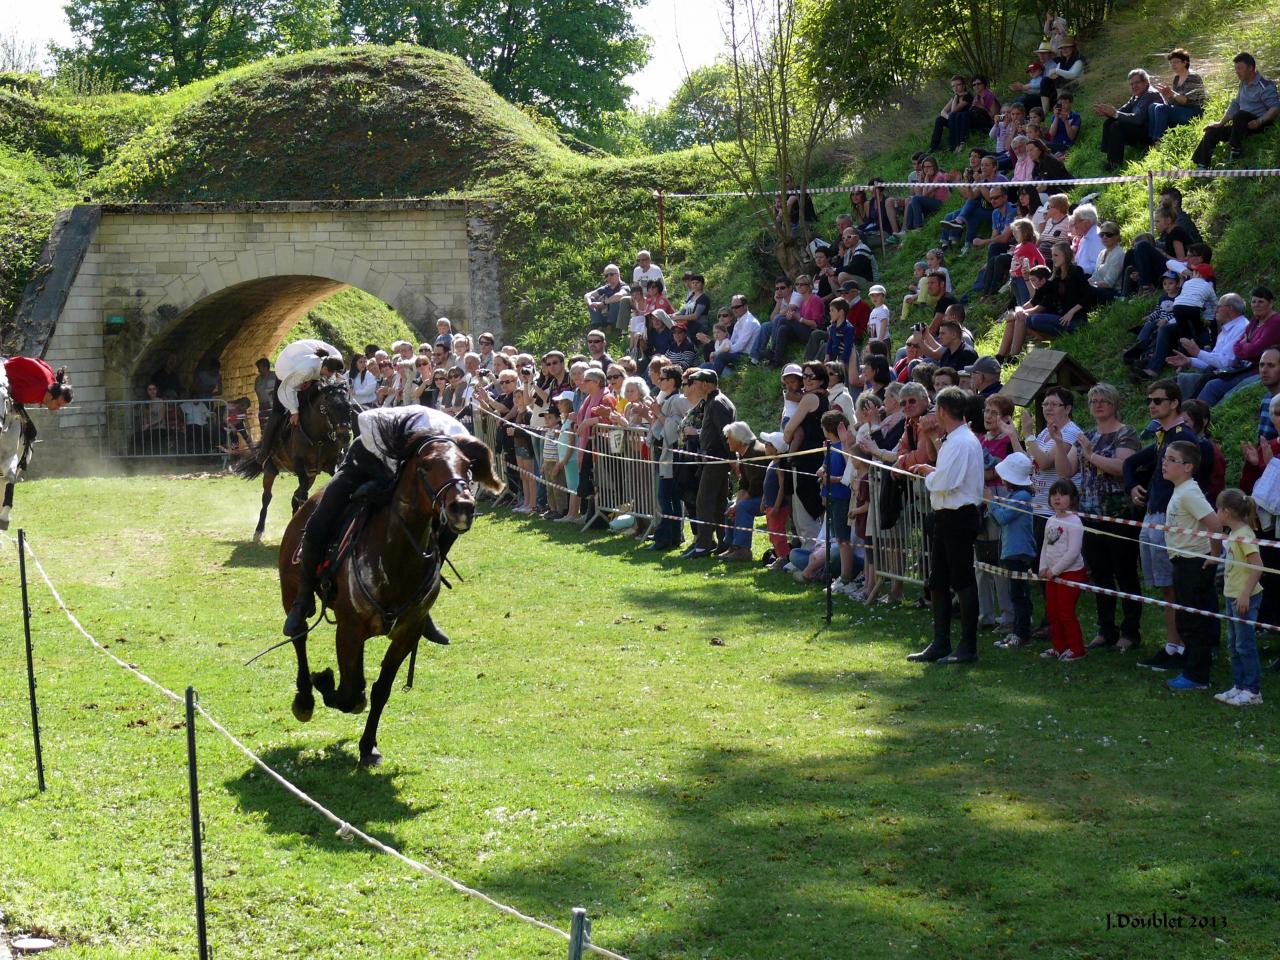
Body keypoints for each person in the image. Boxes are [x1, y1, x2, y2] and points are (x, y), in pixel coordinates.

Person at [281, 404, 474, 637]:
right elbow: (363, 419)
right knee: (318, 523)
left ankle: (422, 602)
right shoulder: (386, 422)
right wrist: (383, 483)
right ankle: (302, 599)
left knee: (448, 528)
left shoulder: (458, 436)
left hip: (410, 472)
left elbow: (459, 476)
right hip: (363, 462)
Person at [1124, 381, 1201, 669]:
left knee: (1174, 587)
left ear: (1174, 404)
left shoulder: (1183, 436)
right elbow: (1133, 463)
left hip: (1171, 520)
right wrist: (1132, 486)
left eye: (1158, 400)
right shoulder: (1162, 435)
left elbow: (1190, 481)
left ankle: (1180, 646)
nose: (1152, 405)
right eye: (1150, 400)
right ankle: (1173, 644)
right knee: (1164, 586)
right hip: (1153, 514)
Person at [907, 386, 984, 664]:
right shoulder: (954, 439)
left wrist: (930, 478)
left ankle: (967, 646)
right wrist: (934, 473)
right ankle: (940, 642)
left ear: (941, 410)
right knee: (938, 580)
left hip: (959, 516)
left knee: (962, 580)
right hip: (945, 516)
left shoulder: (963, 441)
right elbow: (947, 476)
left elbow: (947, 483)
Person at [1160, 440, 1223, 692]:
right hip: (1182, 561)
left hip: (1193, 563)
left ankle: (1197, 675)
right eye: (1165, 458)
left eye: (1172, 460)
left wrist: (1214, 556)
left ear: (1188, 466)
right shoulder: (1181, 490)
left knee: (1193, 619)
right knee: (1187, 617)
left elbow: (1215, 525)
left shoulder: (1189, 492)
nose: (1165, 463)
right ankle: (1193, 665)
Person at [254, 340, 346, 465]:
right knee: (277, 411)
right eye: (332, 373)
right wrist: (294, 411)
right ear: (325, 368)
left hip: (306, 370)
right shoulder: (306, 369)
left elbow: (329, 379)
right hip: (286, 373)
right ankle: (264, 451)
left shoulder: (333, 359)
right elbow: (289, 389)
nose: (333, 376)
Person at [1214, 489, 1265, 705]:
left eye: (1217, 509)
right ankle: (1238, 685)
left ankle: (1253, 691)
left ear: (1226, 512)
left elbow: (1257, 566)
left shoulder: (1245, 535)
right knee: (1234, 644)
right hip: (1231, 594)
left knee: (1245, 644)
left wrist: (1245, 595)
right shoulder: (1233, 534)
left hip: (1244, 597)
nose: (1216, 513)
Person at [680, 369, 736, 558]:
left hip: (716, 460)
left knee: (703, 502)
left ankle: (703, 545)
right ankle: (723, 543)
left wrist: (731, 460)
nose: (693, 385)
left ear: (705, 384)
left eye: (695, 382)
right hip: (715, 460)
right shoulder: (713, 401)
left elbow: (726, 434)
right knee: (719, 503)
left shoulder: (717, 403)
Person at [1190, 52, 1280, 168]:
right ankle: (1201, 165)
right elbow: (1236, 104)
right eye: (1236, 68)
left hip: (1259, 124)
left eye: (1240, 68)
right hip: (1240, 125)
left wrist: (1260, 121)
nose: (1237, 71)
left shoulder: (1265, 86)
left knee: (1240, 115)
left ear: (1251, 68)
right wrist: (1221, 123)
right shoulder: (1243, 83)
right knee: (1212, 131)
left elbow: (1275, 108)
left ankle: (1235, 150)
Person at [991, 452, 1037, 649]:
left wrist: (991, 502)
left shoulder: (1022, 496)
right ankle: (1017, 630)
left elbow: (1002, 518)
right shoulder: (1015, 496)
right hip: (1012, 551)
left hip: (1019, 552)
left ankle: (1022, 633)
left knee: (1020, 595)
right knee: (1015, 593)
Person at [1038, 479, 1088, 661]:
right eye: (1054, 494)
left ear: (1072, 498)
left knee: (1066, 611)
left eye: (1063, 494)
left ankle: (1077, 648)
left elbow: (1073, 552)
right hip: (1051, 573)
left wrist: (1056, 570)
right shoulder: (1050, 520)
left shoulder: (1075, 521)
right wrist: (1043, 567)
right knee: (1053, 611)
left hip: (1071, 573)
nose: (1057, 498)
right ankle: (1059, 646)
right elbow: (1045, 546)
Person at [1093, 68, 1165, 171]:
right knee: (1110, 122)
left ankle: (1114, 163)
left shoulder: (1150, 94)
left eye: (1137, 83)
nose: (1134, 86)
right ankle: (1109, 154)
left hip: (1149, 134)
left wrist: (1115, 113)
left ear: (1146, 82)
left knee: (1117, 126)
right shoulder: (1137, 96)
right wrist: (1108, 113)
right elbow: (1122, 111)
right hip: (1140, 129)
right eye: (1131, 84)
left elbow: (1138, 119)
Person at [721, 421, 767, 562]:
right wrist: (735, 503)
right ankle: (732, 546)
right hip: (756, 495)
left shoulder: (757, 453)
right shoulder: (744, 453)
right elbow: (744, 484)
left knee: (743, 507)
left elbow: (755, 488)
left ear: (739, 439)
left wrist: (738, 504)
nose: (727, 440)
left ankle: (743, 550)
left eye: (729, 437)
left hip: (767, 498)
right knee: (731, 506)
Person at [1148, 48, 1207, 141]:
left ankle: (1158, 141)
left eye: (1175, 62)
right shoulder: (1176, 78)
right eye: (1171, 63)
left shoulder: (1192, 77)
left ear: (1185, 62)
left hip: (1193, 113)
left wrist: (1172, 93)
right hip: (1181, 110)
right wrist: (1165, 95)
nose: (1173, 65)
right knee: (1153, 106)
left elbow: (1187, 101)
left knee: (1160, 108)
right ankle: (1151, 140)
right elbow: (1173, 102)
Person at [929, 75, 976, 153]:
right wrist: (949, 118)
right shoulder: (955, 97)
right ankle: (933, 147)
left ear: (963, 85)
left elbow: (954, 111)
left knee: (954, 116)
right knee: (939, 119)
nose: (956, 88)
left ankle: (954, 146)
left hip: (965, 121)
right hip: (955, 121)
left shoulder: (968, 96)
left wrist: (955, 98)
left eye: (958, 85)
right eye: (953, 86)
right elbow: (943, 112)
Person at [585, 265, 630, 331]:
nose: (609, 277)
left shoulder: (624, 286)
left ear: (618, 275)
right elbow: (587, 295)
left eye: (611, 274)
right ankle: (598, 325)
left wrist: (604, 303)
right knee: (591, 299)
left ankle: (610, 325)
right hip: (605, 313)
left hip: (617, 316)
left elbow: (620, 295)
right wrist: (590, 303)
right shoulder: (606, 288)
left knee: (616, 300)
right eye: (606, 275)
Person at [253, 357, 278, 430]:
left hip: (275, 405)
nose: (258, 370)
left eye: (259, 368)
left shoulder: (275, 376)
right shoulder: (258, 379)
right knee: (264, 427)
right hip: (263, 406)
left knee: (275, 427)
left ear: (265, 367)